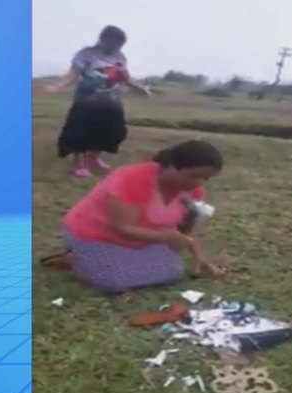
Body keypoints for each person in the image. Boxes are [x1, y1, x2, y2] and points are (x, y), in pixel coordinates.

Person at [41, 140, 225, 294]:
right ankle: (75, 259)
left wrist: (200, 258)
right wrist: (164, 237)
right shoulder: (132, 178)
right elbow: (121, 227)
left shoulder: (193, 192)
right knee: (113, 283)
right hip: (94, 234)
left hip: (142, 239)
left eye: (206, 179)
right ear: (170, 166)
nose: (199, 183)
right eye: (194, 176)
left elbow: (185, 232)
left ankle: (101, 262)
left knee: (173, 273)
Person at [45, 25, 150, 178]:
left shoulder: (119, 56)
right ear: (104, 39)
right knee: (79, 133)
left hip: (112, 102)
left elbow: (125, 77)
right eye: (115, 43)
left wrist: (142, 88)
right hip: (87, 102)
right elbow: (72, 75)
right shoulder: (86, 54)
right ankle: (79, 165)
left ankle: (93, 159)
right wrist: (57, 85)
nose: (117, 47)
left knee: (113, 132)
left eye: (120, 45)